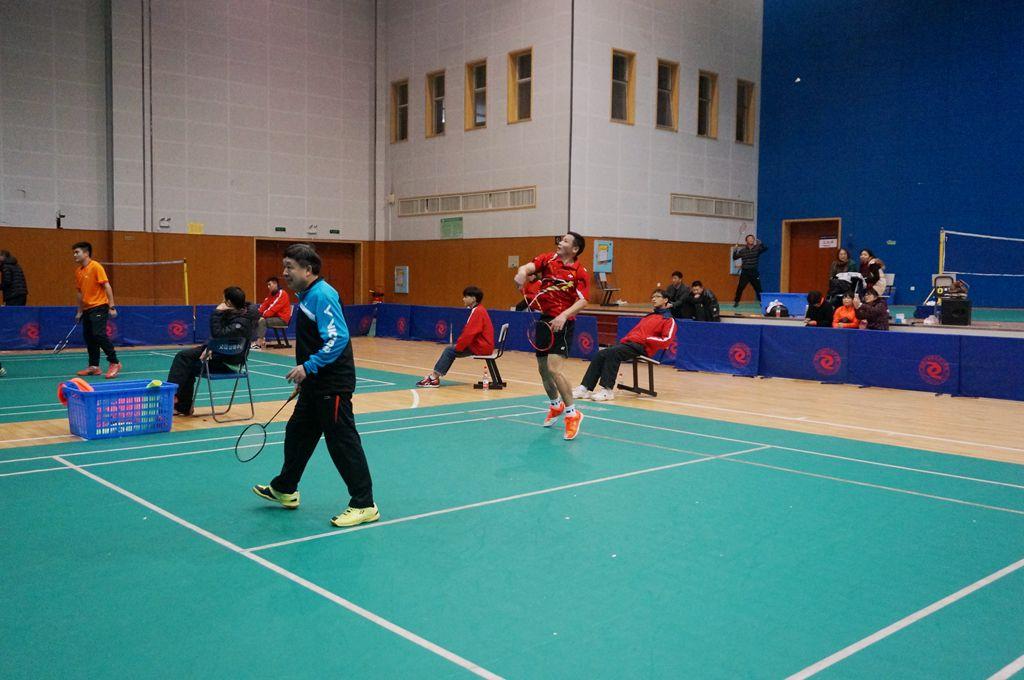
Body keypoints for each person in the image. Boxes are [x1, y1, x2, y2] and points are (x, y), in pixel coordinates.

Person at [252, 243, 378, 528]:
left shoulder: (323, 294)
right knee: (298, 433)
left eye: (290, 267)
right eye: (284, 267)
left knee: (342, 442)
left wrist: (308, 367)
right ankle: (285, 488)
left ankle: (364, 504)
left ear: (308, 270)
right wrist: (306, 379)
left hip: (332, 384)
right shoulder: (307, 296)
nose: (285, 273)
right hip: (315, 383)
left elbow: (337, 338)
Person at [513, 232, 590, 440]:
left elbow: (583, 300)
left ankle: (572, 414)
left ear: (575, 249)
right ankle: (556, 405)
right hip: (544, 320)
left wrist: (564, 316)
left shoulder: (579, 272)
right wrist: (521, 273)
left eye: (565, 241)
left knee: (554, 369)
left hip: (562, 322)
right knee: (542, 369)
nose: (560, 242)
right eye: (561, 239)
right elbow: (528, 267)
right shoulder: (548, 259)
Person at [167, 286, 260, 416]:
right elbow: (220, 337)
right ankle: (181, 405)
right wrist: (208, 347)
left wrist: (217, 312)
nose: (222, 301)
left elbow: (218, 334)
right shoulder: (241, 314)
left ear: (228, 302)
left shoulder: (241, 322)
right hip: (221, 355)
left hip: (227, 360)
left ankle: (173, 397)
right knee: (186, 362)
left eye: (223, 299)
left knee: (183, 358)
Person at [573, 289, 676, 401]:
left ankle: (607, 390)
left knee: (613, 353)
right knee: (600, 353)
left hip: (643, 347)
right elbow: (636, 333)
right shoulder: (649, 316)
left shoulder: (669, 320)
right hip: (630, 344)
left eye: (657, 296)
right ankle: (585, 388)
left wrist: (646, 339)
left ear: (665, 300)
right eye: (653, 297)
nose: (654, 299)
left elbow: (666, 340)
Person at [416, 286, 494, 387]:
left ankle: (433, 378)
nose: (463, 299)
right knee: (451, 350)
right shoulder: (479, 309)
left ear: (473, 299)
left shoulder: (478, 311)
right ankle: (434, 376)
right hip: (483, 345)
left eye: (465, 297)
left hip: (481, 347)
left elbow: (469, 333)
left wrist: (459, 347)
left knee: (449, 351)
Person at [72, 242, 121, 379]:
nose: (74, 255)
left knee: (99, 334)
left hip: (99, 306)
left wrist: (112, 306)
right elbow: (80, 293)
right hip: (87, 309)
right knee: (89, 337)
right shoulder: (78, 271)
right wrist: (79, 311)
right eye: (74, 253)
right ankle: (94, 366)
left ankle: (114, 362)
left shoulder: (96, 267)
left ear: (86, 253)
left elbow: (107, 286)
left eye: (77, 252)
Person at [253, 276, 293, 349]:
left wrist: (262, 316)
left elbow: (273, 309)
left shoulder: (282, 294)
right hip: (274, 318)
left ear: (275, 284)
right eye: (267, 285)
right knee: (257, 319)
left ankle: (259, 342)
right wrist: (256, 314)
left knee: (262, 321)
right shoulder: (271, 295)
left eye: (269, 284)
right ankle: (260, 340)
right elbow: (264, 305)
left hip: (282, 319)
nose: (268, 287)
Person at [731, 234, 767, 306]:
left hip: (754, 272)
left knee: (758, 288)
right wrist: (735, 250)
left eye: (752, 238)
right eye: (749, 238)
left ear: (754, 240)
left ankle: (761, 302)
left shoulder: (757, 248)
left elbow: (765, 248)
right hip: (745, 272)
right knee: (740, 287)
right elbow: (735, 257)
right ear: (746, 241)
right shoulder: (743, 250)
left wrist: (761, 243)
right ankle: (736, 301)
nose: (751, 240)